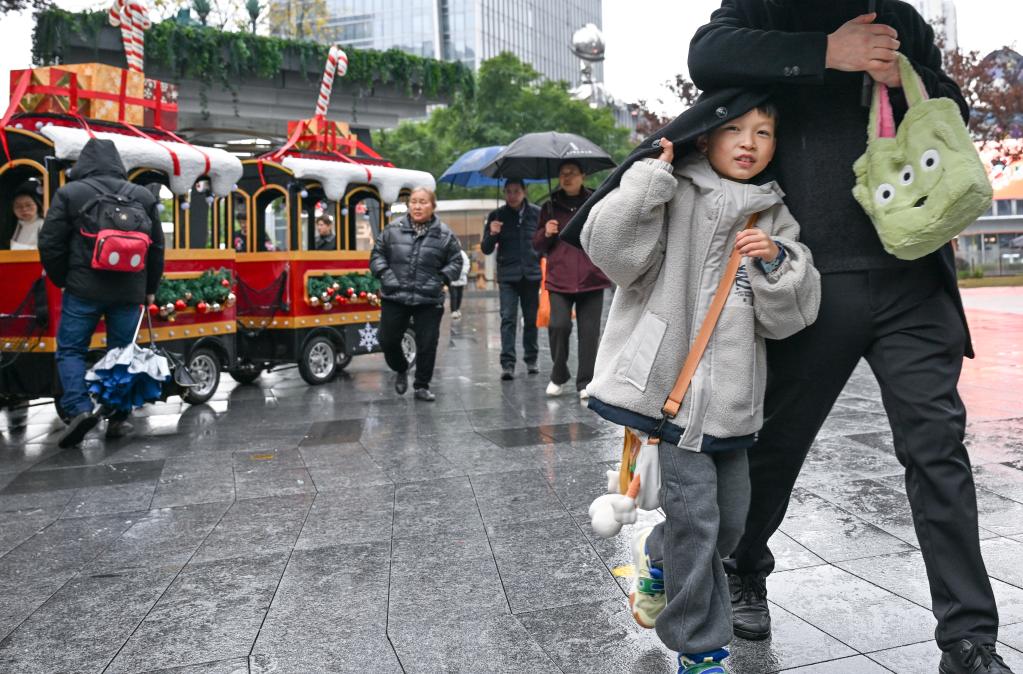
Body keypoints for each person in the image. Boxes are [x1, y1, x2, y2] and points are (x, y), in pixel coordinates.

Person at [688, 4, 1015, 673]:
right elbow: (708, 54)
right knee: (772, 446)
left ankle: (968, 640)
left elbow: (944, 104)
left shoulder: (899, 15)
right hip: (807, 276)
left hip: (912, 273)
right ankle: (745, 563)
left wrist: (900, 69)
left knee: (937, 449)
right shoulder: (767, 7)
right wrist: (825, 52)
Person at [581, 104, 820, 674]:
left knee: (731, 522)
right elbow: (611, 251)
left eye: (763, 132)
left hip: (733, 404)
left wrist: (778, 263)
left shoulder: (773, 215)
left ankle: (658, 558)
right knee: (698, 521)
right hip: (666, 390)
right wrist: (646, 181)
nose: (749, 143)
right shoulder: (673, 190)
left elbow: (791, 317)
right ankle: (700, 647)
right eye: (735, 130)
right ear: (707, 138)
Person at [38, 137, 165, 448]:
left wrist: (64, 279)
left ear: (84, 163)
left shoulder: (70, 193)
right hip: (129, 291)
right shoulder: (141, 196)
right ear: (117, 164)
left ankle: (79, 409)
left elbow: (50, 242)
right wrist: (149, 289)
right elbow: (158, 247)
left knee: (70, 350)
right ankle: (118, 419)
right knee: (122, 355)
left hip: (83, 288)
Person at [370, 186, 462, 402]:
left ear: (433, 206)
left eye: (423, 202)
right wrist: (386, 275)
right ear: (408, 205)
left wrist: (441, 279)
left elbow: (457, 260)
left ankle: (422, 385)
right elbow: (377, 255)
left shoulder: (444, 234)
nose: (418, 206)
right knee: (387, 339)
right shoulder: (393, 229)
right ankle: (401, 367)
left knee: (428, 343)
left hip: (428, 298)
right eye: (414, 202)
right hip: (395, 295)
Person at [532, 160, 612, 399]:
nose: (567, 177)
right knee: (559, 326)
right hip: (559, 278)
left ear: (583, 176)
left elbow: (607, 233)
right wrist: (546, 233)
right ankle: (558, 374)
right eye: (563, 174)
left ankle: (585, 381)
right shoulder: (548, 207)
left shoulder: (595, 201)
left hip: (591, 277)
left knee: (589, 333)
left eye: (572, 173)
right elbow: (537, 246)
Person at [481, 179, 543, 380]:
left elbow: (545, 243)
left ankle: (531, 359)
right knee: (508, 318)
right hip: (508, 276)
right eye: (508, 191)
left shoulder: (537, 213)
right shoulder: (496, 216)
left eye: (516, 191)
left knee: (531, 319)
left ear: (524, 192)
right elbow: (486, 248)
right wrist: (492, 233)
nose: (512, 195)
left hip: (531, 275)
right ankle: (507, 363)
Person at [10, 183, 44, 250]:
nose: (24, 209)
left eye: (28, 205)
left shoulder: (42, 224)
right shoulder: (16, 225)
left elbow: (45, 250)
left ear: (37, 205)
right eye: (18, 206)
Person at [448, 247, 470, 320]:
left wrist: (463, 272)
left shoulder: (462, 254)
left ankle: (457, 309)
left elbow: (466, 263)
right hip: (452, 278)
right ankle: (453, 311)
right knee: (453, 295)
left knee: (459, 295)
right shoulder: (449, 253)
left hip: (461, 278)